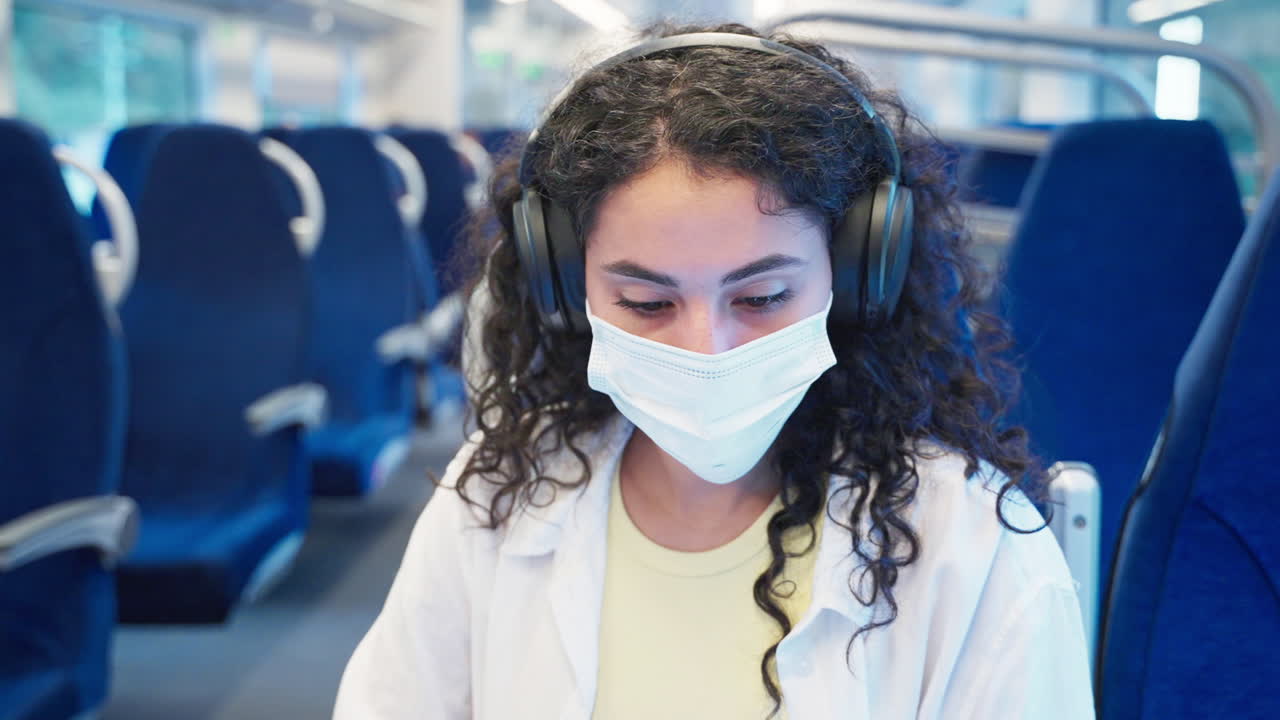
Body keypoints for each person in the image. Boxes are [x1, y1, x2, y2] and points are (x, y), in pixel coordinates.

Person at [333, 21, 1095, 720]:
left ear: (856, 277)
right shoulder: (496, 500)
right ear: (569, 292)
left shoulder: (974, 550)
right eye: (646, 302)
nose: (708, 349)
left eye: (762, 296)